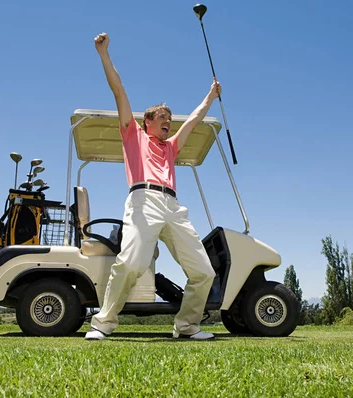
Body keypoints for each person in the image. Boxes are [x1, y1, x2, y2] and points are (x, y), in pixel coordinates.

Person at [85, 32, 220, 341]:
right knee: (131, 263)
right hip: (143, 201)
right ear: (146, 121)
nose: (168, 121)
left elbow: (193, 121)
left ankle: (186, 326)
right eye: (162, 117)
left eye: (169, 118)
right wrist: (104, 53)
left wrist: (210, 97)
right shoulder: (133, 134)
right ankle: (103, 324)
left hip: (173, 206)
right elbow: (118, 91)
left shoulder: (171, 147)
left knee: (204, 271)